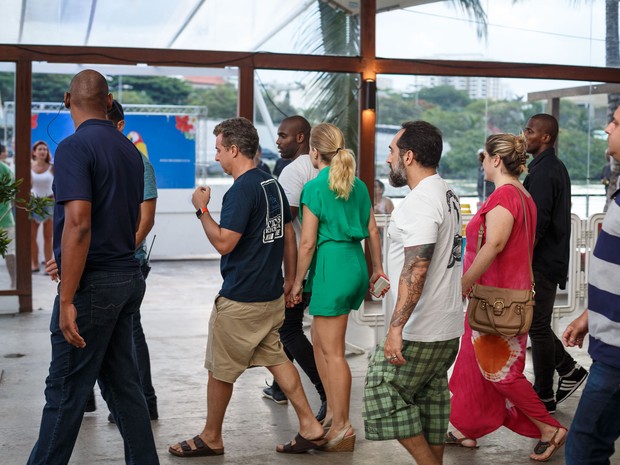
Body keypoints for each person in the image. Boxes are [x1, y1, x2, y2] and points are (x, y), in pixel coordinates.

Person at [169, 117, 325, 457]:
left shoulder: (242, 190)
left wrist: (201, 210)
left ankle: (211, 436)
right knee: (277, 359)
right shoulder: (272, 184)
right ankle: (310, 425)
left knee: (220, 369)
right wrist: (288, 279)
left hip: (242, 297)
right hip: (269, 297)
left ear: (234, 150)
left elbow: (225, 243)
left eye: (219, 150)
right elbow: (286, 237)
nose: (216, 157)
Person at [27, 69, 159, 465]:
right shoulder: (129, 151)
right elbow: (131, 220)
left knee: (65, 392)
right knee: (124, 389)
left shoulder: (73, 147)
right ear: (107, 102)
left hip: (94, 285)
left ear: (68, 100)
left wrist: (67, 296)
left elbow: (80, 223)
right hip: (127, 277)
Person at [448, 133, 567, 462]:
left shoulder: (505, 198)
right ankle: (464, 427)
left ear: (496, 160)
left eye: (484, 158)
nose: (482, 164)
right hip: (498, 297)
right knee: (473, 364)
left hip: (496, 301)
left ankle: (548, 427)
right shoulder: (522, 196)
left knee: (501, 373)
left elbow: (495, 244)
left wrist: (464, 283)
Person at [362, 121, 463, 465]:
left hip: (421, 328)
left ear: (408, 156)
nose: (387, 159)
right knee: (430, 401)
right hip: (446, 325)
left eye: (391, 151)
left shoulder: (420, 202)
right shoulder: (447, 193)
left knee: (380, 387)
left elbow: (417, 268)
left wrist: (394, 328)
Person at [291, 122, 385, 452]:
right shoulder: (356, 184)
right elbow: (373, 231)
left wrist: (297, 283)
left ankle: (344, 427)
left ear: (314, 153)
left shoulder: (315, 188)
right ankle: (331, 413)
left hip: (332, 264)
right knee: (320, 342)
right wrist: (378, 269)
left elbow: (306, 244)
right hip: (354, 263)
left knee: (332, 352)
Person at [81, 99, 160, 420]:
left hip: (125, 261)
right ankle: (88, 397)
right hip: (98, 259)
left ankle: (145, 399)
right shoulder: (92, 156)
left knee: (128, 331)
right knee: (90, 328)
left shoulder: (138, 161)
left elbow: (146, 219)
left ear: (120, 125)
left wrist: (122, 252)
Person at [562, 104, 620, 465]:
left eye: (615, 122)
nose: (607, 128)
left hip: (616, 351)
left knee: (585, 446)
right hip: (609, 339)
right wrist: (590, 314)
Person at [261, 115, 327, 422]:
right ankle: (278, 386)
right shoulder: (325, 169)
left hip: (302, 263)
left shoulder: (293, 171)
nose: (278, 141)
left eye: (283, 135)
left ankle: (324, 388)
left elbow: (284, 223)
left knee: (287, 327)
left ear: (302, 139)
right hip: (326, 262)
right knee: (293, 325)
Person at [523, 114, 587, 413]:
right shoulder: (546, 167)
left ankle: (544, 394)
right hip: (547, 259)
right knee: (536, 324)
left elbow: (538, 223)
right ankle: (569, 370)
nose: (525, 136)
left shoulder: (546, 171)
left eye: (530, 131)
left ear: (545, 137)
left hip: (542, 261)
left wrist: (521, 261)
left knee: (536, 325)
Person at [30, 140, 54, 273]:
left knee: (48, 237)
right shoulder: (29, 168)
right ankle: (34, 263)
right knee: (32, 236)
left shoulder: (52, 167)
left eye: (45, 149)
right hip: (33, 203)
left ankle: (48, 266)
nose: (42, 151)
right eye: (40, 149)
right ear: (34, 152)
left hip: (49, 203)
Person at [0, 144, 16, 288]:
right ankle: (14, 284)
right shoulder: (6, 169)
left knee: (10, 253)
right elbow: (13, 193)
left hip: (4, 218)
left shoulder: (4, 169)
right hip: (6, 218)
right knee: (9, 252)